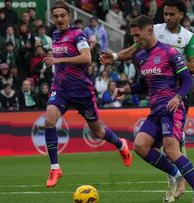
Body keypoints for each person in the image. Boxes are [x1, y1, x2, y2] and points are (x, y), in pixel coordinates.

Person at [100, 1, 194, 200]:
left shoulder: (188, 37)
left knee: (172, 147)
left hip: (177, 93)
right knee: (157, 146)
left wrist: (171, 62)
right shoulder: (153, 31)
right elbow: (133, 50)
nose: (168, 17)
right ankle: (174, 181)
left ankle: (192, 188)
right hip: (156, 95)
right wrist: (115, 56)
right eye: (165, 14)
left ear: (181, 14)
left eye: (172, 14)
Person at [42, 1, 132, 188]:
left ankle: (120, 144)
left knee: (98, 132)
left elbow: (86, 57)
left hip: (81, 91)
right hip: (60, 89)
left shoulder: (77, 34)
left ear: (69, 16)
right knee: (49, 121)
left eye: (62, 15)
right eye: (56, 16)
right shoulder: (56, 34)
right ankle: (55, 168)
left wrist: (58, 59)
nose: (59, 19)